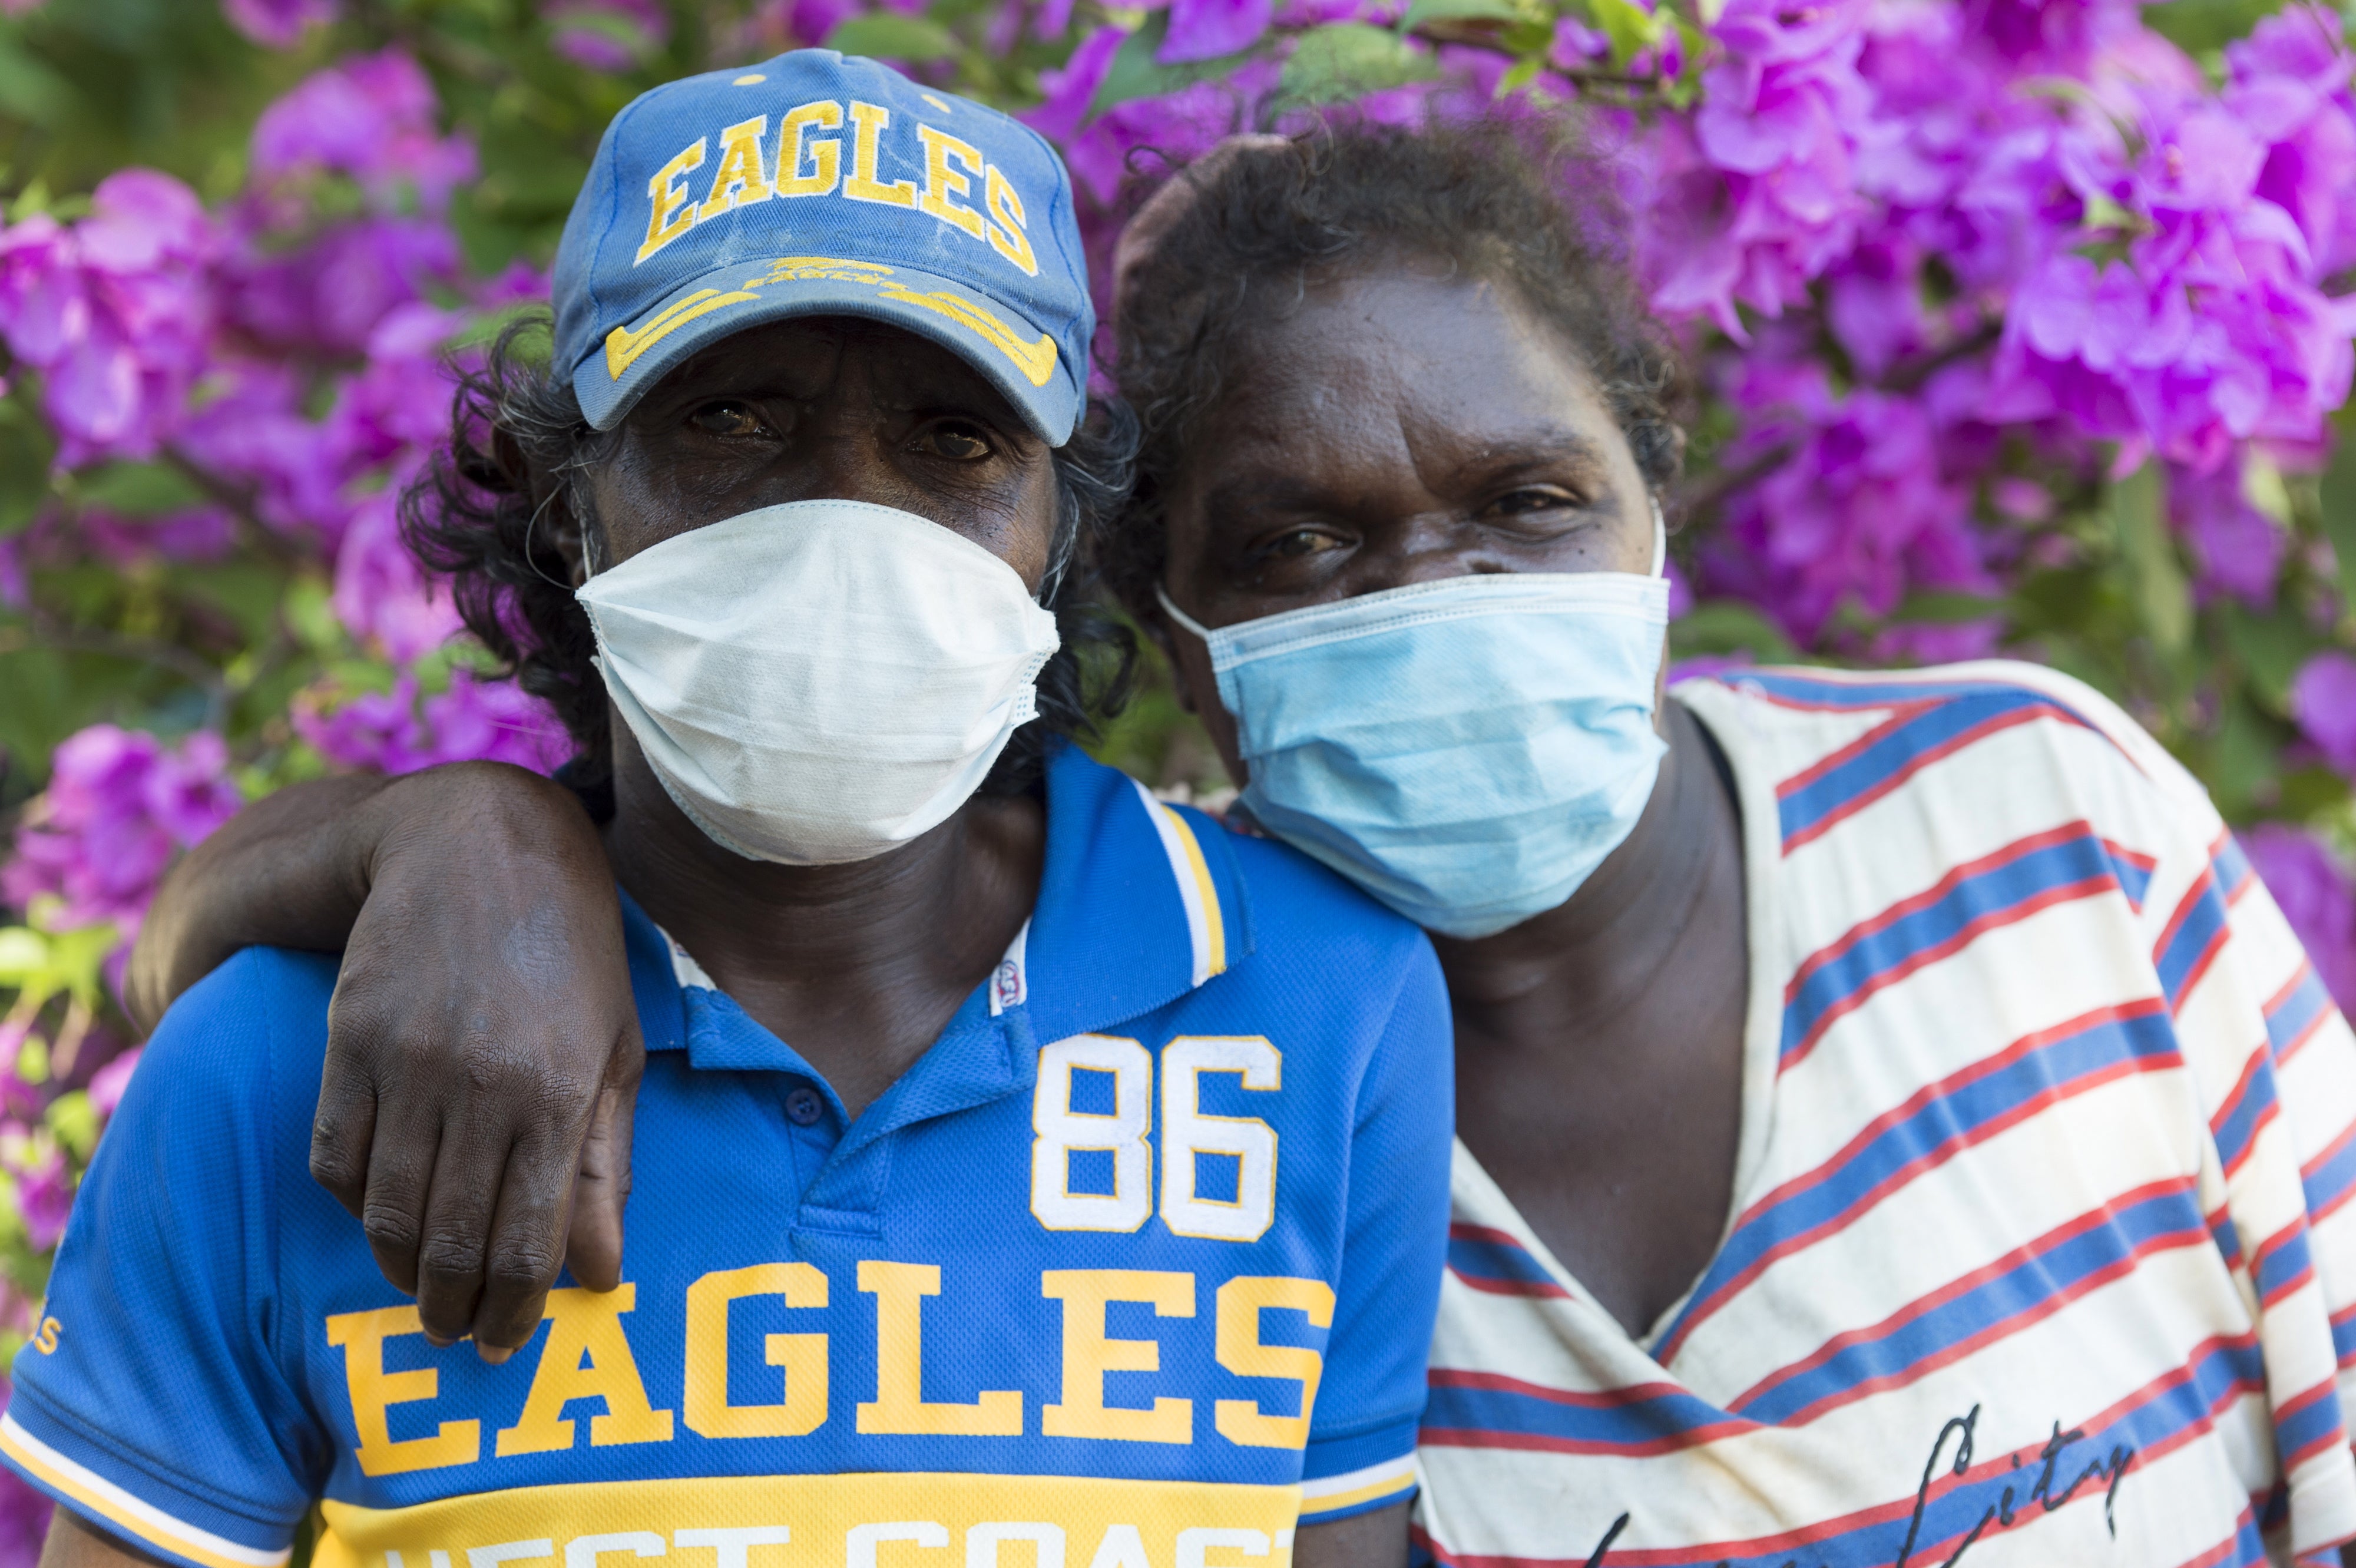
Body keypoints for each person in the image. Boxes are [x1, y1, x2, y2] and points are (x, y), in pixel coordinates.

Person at [124, 115, 2356, 1564]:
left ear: (1655, 498)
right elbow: (182, 987)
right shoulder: (1254, 1017)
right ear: (1178, 637)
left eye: (1527, 504)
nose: (1436, 605)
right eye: (1300, 544)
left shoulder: (2028, 818)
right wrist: (457, 837)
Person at [7, 54, 1452, 1568]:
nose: (845, 514)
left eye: (953, 440)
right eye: (732, 420)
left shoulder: (1312, 1004)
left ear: (1057, 525)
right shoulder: (292, 1062)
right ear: (568, 507)